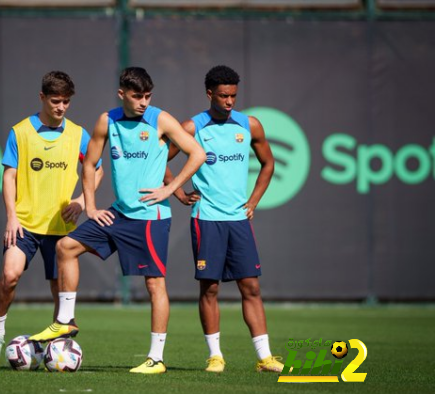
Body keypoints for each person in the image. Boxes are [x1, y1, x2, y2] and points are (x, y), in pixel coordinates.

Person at [29, 67, 206, 374]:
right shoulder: (106, 120)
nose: (143, 102)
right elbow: (89, 165)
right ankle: (64, 322)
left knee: (154, 284)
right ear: (122, 93)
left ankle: (156, 358)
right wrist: (92, 207)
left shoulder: (160, 119)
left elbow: (197, 153)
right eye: (137, 96)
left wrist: (170, 188)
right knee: (66, 247)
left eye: (148, 96)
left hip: (151, 217)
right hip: (119, 214)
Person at [0, 71, 103, 369]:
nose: (61, 107)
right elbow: (9, 176)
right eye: (55, 101)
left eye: (66, 102)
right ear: (42, 98)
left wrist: (81, 201)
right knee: (9, 276)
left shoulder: (78, 134)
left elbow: (96, 170)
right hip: (24, 224)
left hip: (59, 228)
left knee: (57, 291)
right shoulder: (20, 132)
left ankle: (57, 345)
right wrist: (11, 217)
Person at [166, 65, 283, 373]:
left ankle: (265, 357)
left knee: (251, 287)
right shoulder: (193, 127)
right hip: (206, 220)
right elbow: (159, 158)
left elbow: (269, 163)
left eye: (233, 95)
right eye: (223, 95)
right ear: (210, 94)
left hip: (238, 220)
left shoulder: (250, 125)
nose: (229, 101)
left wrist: (254, 200)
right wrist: (177, 193)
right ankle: (215, 356)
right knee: (211, 288)